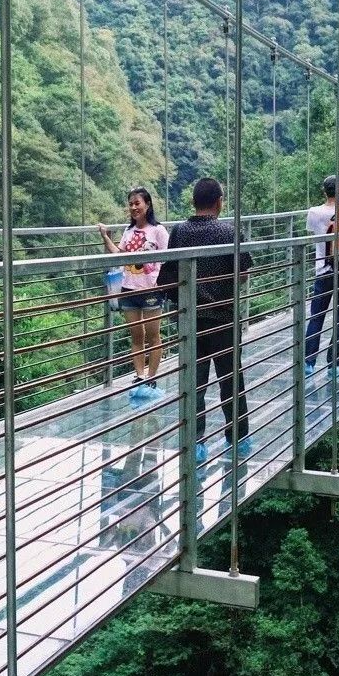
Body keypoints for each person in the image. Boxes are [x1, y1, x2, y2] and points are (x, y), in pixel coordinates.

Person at [156, 178, 253, 463]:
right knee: (230, 378)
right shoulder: (228, 231)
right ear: (219, 201)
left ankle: (194, 439)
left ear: (193, 202)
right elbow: (244, 272)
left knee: (193, 381)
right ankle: (237, 437)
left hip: (189, 319)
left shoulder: (180, 232)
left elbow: (170, 270)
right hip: (222, 317)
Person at [97, 186, 169, 401]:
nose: (134, 207)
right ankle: (140, 376)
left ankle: (152, 376)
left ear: (147, 205)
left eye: (137, 203)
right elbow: (120, 255)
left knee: (153, 336)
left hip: (151, 289)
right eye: (131, 204)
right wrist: (105, 237)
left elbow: (169, 258)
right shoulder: (128, 232)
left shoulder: (159, 231)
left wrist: (160, 283)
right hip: (128, 288)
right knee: (137, 336)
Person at [303, 174, 339, 378]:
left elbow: (314, 235)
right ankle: (333, 364)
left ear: (324, 191)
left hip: (322, 272)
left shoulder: (313, 212)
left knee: (316, 317)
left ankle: (309, 362)